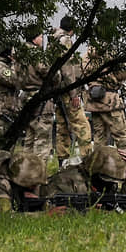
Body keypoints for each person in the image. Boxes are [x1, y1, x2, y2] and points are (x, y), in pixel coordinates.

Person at [48, 16, 93, 165]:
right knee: (82, 127)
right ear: (72, 29)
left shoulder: (52, 40)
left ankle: (62, 161)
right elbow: (67, 69)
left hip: (58, 91)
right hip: (68, 92)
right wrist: (74, 93)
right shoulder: (65, 40)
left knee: (62, 127)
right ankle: (88, 161)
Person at [83, 47, 126, 161]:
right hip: (111, 102)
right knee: (121, 136)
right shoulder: (111, 53)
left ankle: (98, 165)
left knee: (99, 137)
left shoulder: (87, 55)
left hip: (95, 103)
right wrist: (115, 79)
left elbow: (82, 72)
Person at [16, 29, 59, 163]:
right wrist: (57, 77)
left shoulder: (19, 54)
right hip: (41, 98)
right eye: (40, 37)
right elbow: (47, 71)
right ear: (34, 39)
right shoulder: (36, 54)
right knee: (42, 141)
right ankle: (38, 176)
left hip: (25, 97)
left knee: (28, 138)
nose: (42, 40)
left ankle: (25, 173)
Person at [40, 145, 126, 196]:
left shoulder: (104, 184)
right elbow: (53, 210)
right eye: (106, 181)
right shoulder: (67, 182)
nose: (111, 186)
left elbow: (124, 203)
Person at [0, 148, 48, 215]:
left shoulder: (15, 180)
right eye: (33, 185)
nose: (34, 188)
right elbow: (4, 219)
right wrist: (46, 215)